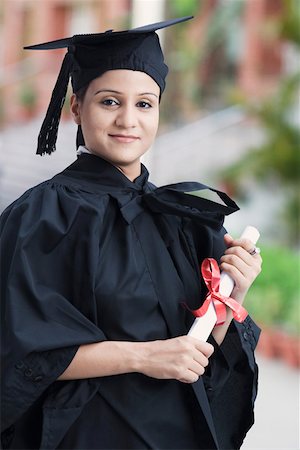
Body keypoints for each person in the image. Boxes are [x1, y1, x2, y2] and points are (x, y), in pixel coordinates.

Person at [0, 16, 262, 450]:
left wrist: (233, 294)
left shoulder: (184, 216)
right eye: (109, 102)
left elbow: (204, 354)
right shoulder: (42, 217)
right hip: (88, 434)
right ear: (77, 108)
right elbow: (19, 351)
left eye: (144, 104)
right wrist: (145, 356)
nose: (128, 119)